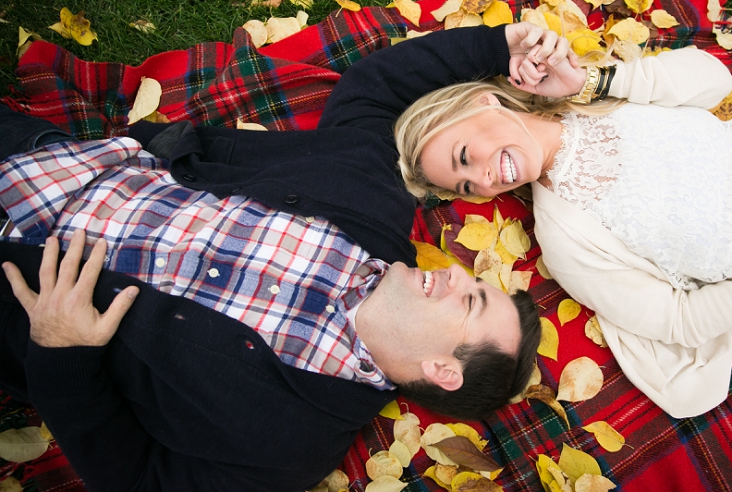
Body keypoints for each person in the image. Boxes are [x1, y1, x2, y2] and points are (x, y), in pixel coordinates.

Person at [0, 24, 545, 491]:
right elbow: (375, 93)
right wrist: (501, 45)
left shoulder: (290, 443)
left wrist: (61, 353)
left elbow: (140, 479)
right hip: (48, 163)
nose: (452, 272)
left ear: (443, 370)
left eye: (469, 301)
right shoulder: (373, 209)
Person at [395, 26, 732, 418]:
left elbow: (713, 81)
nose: (483, 178)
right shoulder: (566, 240)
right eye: (466, 186)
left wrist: (592, 80)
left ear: (485, 103)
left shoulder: (594, 96)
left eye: (465, 155)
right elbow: (680, 321)